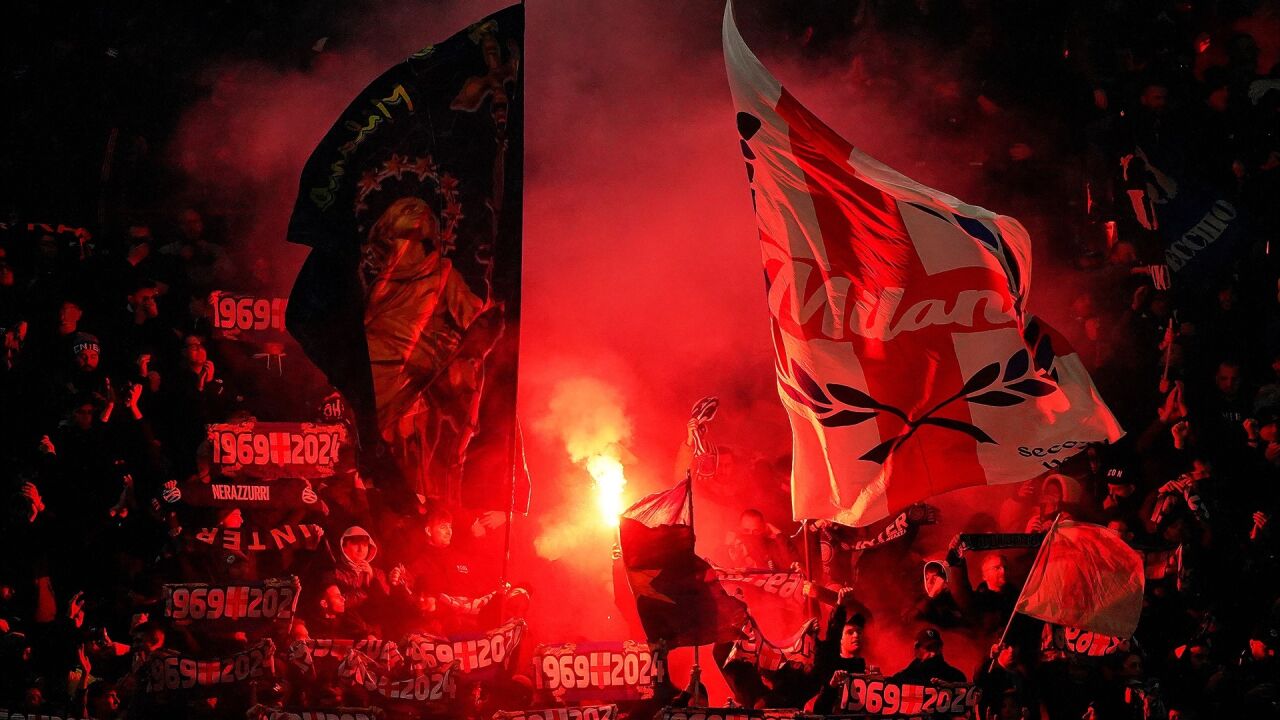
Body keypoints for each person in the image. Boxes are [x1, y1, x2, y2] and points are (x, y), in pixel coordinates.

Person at [810, 587, 869, 714]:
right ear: (840, 639)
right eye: (850, 632)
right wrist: (840, 606)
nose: (856, 636)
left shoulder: (865, 665)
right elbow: (819, 709)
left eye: (859, 632)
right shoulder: (829, 662)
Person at [891, 627, 966, 685]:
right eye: (929, 648)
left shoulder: (955, 676)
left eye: (936, 648)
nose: (934, 653)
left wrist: (949, 687)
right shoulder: (906, 676)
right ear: (918, 649)